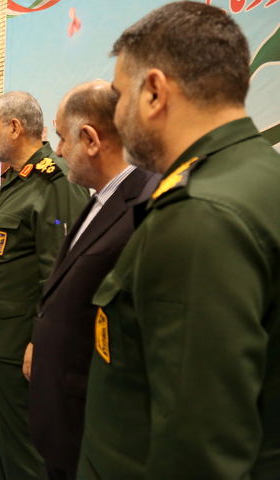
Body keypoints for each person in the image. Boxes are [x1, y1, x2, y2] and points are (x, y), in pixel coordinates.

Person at [77, 3, 280, 479]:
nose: (117, 115)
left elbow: (199, 448)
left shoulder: (199, 215)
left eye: (119, 96)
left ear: (154, 92)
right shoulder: (258, 176)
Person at [21, 81, 159, 480]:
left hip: (96, 424)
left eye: (63, 139)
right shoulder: (101, 198)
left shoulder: (146, 205)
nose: (59, 151)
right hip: (66, 413)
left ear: (91, 139)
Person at [0, 91, 90, 480]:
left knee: (24, 455)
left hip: (16, 348)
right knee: (0, 447)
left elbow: (61, 273)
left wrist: (39, 341)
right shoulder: (19, 180)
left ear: (14, 128)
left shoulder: (55, 183)